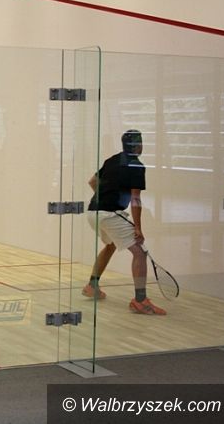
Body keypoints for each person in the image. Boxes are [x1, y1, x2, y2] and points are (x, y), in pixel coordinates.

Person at [84, 129, 166, 315]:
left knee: (110, 245)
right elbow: (135, 199)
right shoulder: (136, 166)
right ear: (138, 146)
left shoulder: (112, 160)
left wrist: (104, 197)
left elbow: (92, 182)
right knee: (139, 252)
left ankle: (92, 286)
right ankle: (140, 301)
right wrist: (138, 228)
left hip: (93, 212)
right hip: (109, 215)